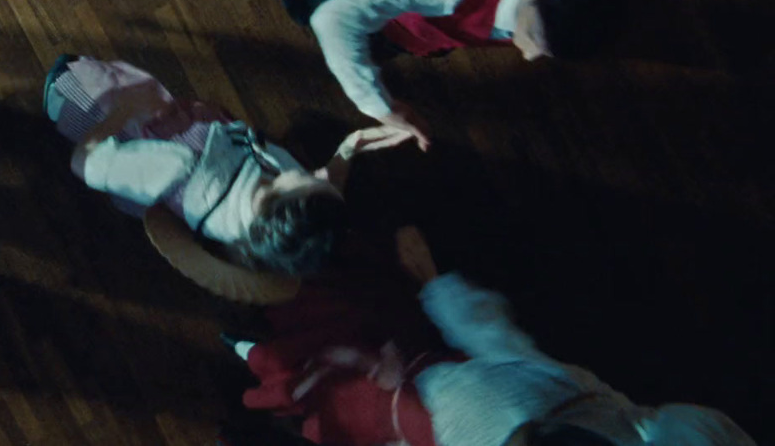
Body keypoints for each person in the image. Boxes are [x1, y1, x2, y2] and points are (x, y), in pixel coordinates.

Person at [233, 228, 757, 446]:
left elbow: (494, 340)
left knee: (329, 367)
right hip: (436, 400)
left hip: (427, 398)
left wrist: (431, 281)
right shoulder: (550, 398)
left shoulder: (530, 397)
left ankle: (253, 350)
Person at [233, 0, 624, 149]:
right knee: (305, 6)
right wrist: (382, 108)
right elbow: (333, 18)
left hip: (414, 27)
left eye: (547, 50)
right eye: (536, 37)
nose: (531, 55)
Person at [43, 55, 413, 275]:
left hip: (114, 121)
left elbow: (84, 162)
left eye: (307, 178)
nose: (317, 172)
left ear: (273, 200)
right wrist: (352, 144)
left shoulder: (177, 168)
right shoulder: (270, 230)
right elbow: (324, 185)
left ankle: (56, 93)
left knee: (68, 74)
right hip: (188, 129)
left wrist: (126, 106)